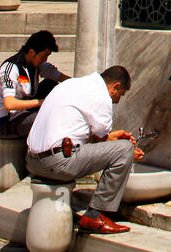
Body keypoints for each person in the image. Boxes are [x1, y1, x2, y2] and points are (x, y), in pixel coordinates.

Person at [25, 66, 143, 235]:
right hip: (56, 163)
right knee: (124, 149)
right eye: (120, 94)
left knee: (121, 149)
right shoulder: (101, 96)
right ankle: (96, 215)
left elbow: (88, 136)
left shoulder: (72, 84)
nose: (117, 101)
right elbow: (102, 139)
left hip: (32, 161)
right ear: (115, 86)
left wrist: (110, 139)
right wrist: (129, 152)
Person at [0, 31, 69, 137]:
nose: (45, 60)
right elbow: (9, 104)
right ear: (32, 52)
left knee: (51, 84)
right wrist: (42, 102)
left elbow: (65, 79)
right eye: (44, 56)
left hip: (26, 112)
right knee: (48, 117)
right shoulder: (10, 68)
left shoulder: (38, 65)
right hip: (7, 121)